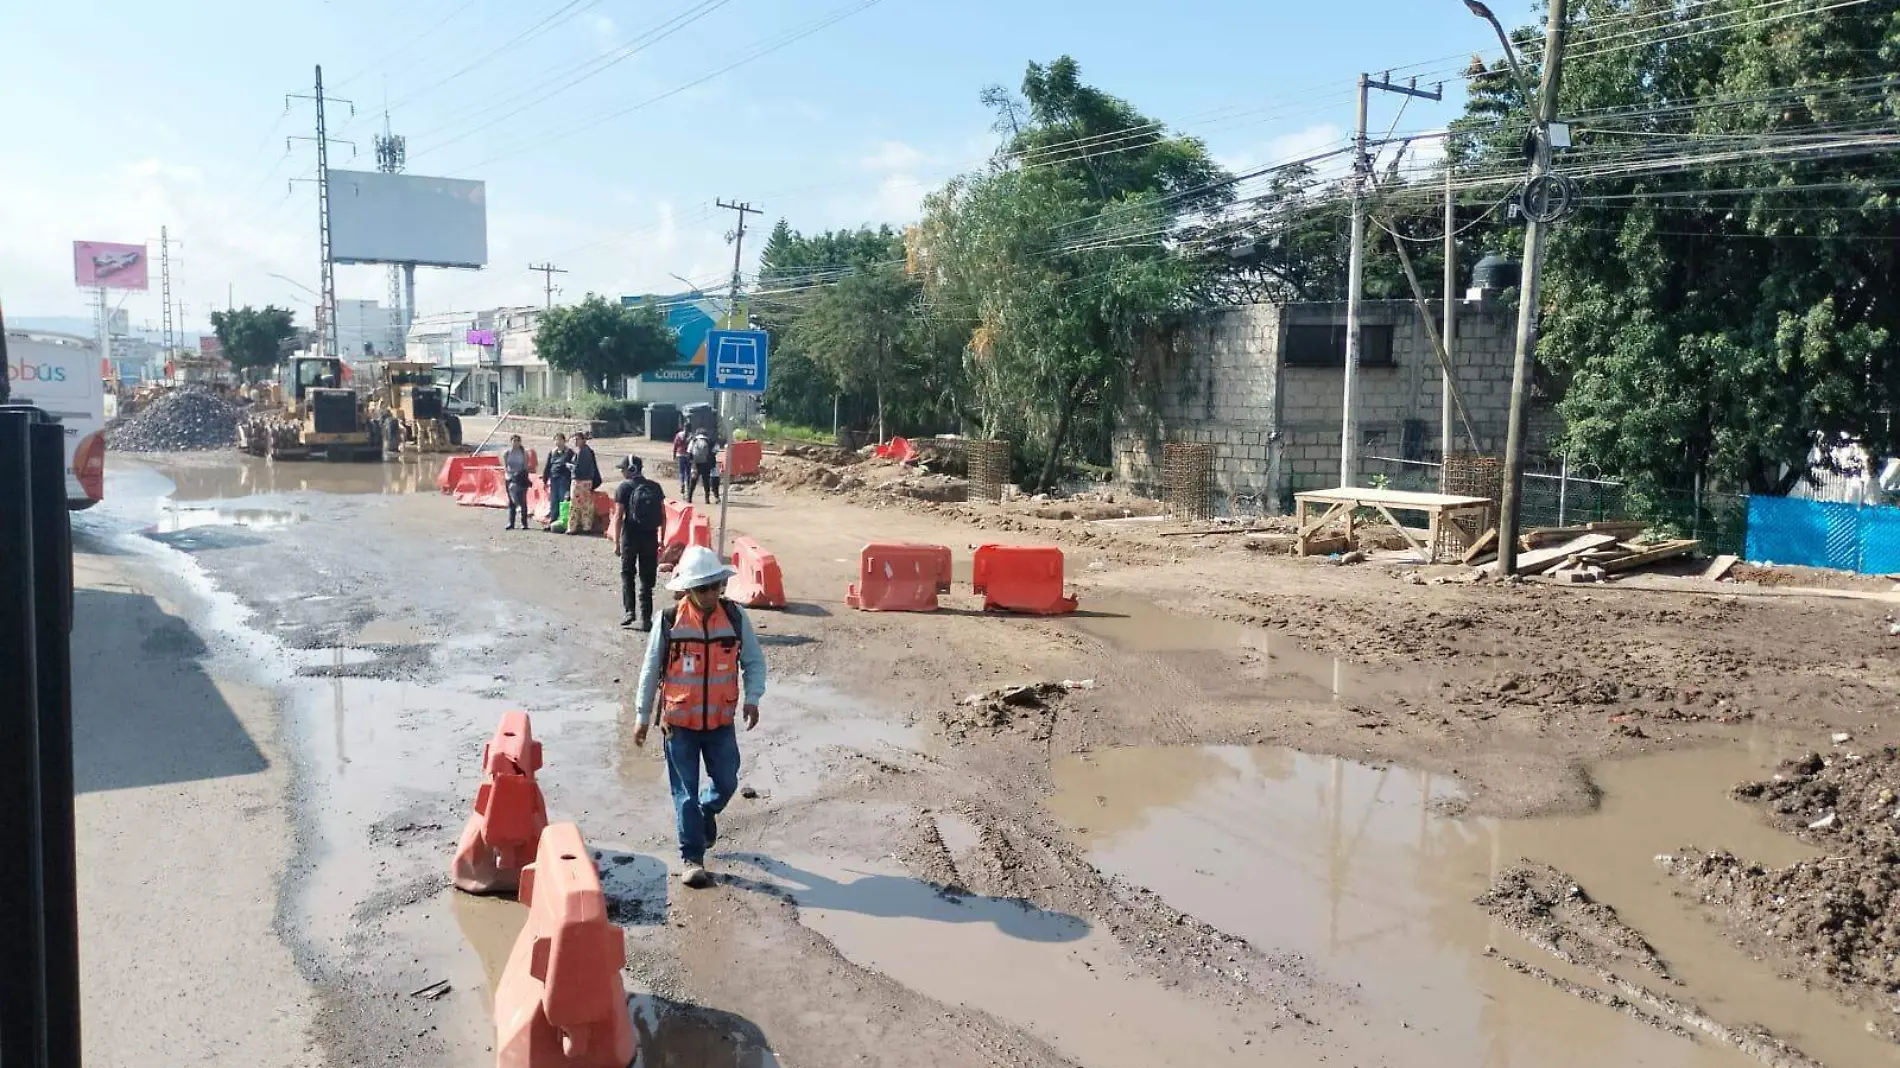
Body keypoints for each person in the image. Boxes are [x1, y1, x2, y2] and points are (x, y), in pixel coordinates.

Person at [632, 545, 766, 889]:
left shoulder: (735, 618)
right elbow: (650, 670)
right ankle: (692, 857)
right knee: (684, 794)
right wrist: (642, 716)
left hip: (720, 724)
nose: (709, 594)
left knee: (727, 782)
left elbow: (753, 661)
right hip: (679, 726)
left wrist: (753, 698)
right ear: (687, 589)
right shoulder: (668, 621)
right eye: (701, 587)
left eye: (714, 586)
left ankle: (709, 811)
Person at [612, 455, 666, 630]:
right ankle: (646, 618)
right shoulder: (655, 487)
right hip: (650, 537)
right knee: (647, 578)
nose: (621, 471)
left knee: (628, 574)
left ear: (631, 469)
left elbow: (619, 516)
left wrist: (617, 542)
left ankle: (629, 612)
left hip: (630, 536)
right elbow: (663, 516)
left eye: (623, 468)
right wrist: (662, 539)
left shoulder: (623, 488)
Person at [568, 431, 601, 535]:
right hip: (588, 481)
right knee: (586, 505)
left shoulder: (582, 452)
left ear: (583, 440)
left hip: (579, 481)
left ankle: (572, 527)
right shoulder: (588, 451)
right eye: (574, 439)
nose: (575, 442)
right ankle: (587, 526)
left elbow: (578, 469)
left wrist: (570, 467)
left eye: (577, 439)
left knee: (575, 505)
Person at [542, 433, 574, 532]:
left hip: (564, 480)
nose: (558, 442)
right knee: (554, 502)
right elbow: (547, 467)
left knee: (563, 502)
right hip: (554, 480)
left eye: (560, 440)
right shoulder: (552, 453)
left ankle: (563, 523)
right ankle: (552, 522)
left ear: (564, 441)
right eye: (556, 440)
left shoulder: (569, 453)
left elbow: (573, 467)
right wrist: (545, 479)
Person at [502, 435, 531, 531]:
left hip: (521, 479)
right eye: (513, 441)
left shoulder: (524, 453)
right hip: (510, 479)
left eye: (517, 441)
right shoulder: (506, 453)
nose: (515, 443)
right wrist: (510, 476)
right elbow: (505, 466)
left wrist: (522, 477)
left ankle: (524, 523)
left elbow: (526, 467)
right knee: (511, 502)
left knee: (522, 502)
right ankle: (511, 523)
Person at [685, 427, 720, 504]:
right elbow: (716, 449)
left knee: (693, 481)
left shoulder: (694, 440)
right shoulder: (710, 441)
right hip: (706, 464)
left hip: (695, 463)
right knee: (706, 481)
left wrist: (691, 462)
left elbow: (689, 451)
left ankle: (689, 498)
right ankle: (707, 499)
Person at [672, 426, 692, 496]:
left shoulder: (679, 435)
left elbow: (675, 445)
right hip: (688, 455)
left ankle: (682, 483)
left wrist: (674, 455)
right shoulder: (691, 436)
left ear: (684, 428)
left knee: (681, 471)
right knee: (688, 472)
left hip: (680, 454)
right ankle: (688, 486)